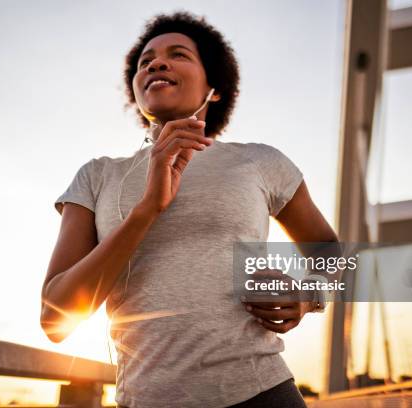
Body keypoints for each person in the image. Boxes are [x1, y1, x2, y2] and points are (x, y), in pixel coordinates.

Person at [40, 12, 338, 408]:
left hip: (262, 393)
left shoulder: (259, 162)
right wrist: (148, 209)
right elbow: (54, 320)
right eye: (146, 61)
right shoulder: (97, 175)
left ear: (214, 88)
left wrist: (307, 295)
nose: (157, 63)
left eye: (177, 55)